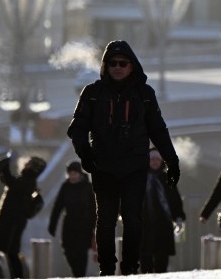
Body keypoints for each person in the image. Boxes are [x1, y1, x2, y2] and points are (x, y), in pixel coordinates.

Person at [67, 39, 180, 275]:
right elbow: (77, 128)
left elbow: (158, 129)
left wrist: (172, 161)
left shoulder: (144, 94)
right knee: (106, 220)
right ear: (105, 66)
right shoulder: (93, 93)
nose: (117, 67)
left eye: (123, 63)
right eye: (112, 63)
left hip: (135, 167)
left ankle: (129, 268)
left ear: (132, 66)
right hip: (103, 166)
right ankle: (107, 270)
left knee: (133, 218)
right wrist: (85, 153)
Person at [0, 155, 47, 278]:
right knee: (8, 251)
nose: (25, 164)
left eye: (28, 163)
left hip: (13, 221)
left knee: (11, 251)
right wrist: (4, 172)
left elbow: (12, 184)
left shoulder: (28, 180)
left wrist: (5, 169)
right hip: (12, 220)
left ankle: (16, 276)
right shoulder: (26, 180)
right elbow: (12, 183)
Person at [140, 147, 186, 273]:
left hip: (163, 223)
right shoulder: (140, 178)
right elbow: (130, 199)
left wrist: (179, 216)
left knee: (162, 257)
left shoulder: (167, 178)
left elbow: (175, 200)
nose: (155, 162)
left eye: (157, 159)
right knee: (145, 257)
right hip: (144, 223)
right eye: (152, 159)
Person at [48, 161, 96, 277]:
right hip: (69, 225)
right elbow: (58, 206)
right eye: (70, 173)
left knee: (82, 253)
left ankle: (80, 276)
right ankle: (77, 274)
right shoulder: (65, 187)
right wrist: (52, 225)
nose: (72, 175)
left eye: (74, 173)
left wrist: (93, 225)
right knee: (69, 251)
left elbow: (93, 207)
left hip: (84, 226)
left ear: (79, 173)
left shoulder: (87, 187)